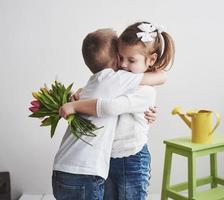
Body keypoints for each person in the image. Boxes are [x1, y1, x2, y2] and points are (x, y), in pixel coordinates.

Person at [60, 21, 175, 200]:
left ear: (151, 59)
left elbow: (109, 105)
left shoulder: (145, 89)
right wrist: (81, 93)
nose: (123, 65)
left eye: (131, 60)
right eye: (120, 57)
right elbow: (103, 89)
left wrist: (77, 105)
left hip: (132, 157)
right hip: (108, 156)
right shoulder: (120, 78)